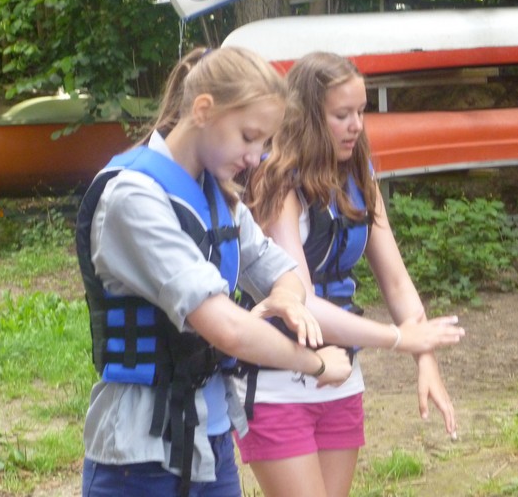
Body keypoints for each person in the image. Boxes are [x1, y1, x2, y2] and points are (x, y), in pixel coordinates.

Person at [75, 46, 353, 497]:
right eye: (249, 137)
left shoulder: (219, 197)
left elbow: (281, 269)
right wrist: (316, 363)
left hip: (212, 439)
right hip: (138, 457)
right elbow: (228, 330)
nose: (256, 157)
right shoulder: (133, 199)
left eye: (264, 143)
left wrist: (286, 297)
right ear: (203, 110)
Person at [236, 51, 465, 497]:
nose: (356, 125)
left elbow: (396, 281)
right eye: (342, 115)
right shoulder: (276, 181)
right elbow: (301, 300)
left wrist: (426, 357)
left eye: (361, 111)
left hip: (341, 376)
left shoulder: (360, 175)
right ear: (307, 117)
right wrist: (397, 339)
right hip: (278, 379)